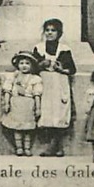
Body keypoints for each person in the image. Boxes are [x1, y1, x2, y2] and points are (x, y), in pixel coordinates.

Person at [32, 18, 76, 157]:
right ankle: (50, 145)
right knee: (47, 112)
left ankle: (58, 146)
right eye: (47, 30)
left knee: (60, 112)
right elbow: (33, 67)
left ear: (59, 33)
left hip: (59, 83)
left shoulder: (64, 49)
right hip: (45, 83)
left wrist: (61, 68)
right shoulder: (39, 48)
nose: (50, 33)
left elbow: (72, 69)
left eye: (53, 30)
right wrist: (40, 64)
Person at [0, 51, 43, 157]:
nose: (24, 66)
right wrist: (6, 103)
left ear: (32, 66)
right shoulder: (13, 77)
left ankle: (27, 148)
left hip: (28, 104)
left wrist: (38, 108)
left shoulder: (35, 79)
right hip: (16, 103)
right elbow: (7, 91)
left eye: (27, 63)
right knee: (17, 127)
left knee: (27, 127)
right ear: (17, 65)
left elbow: (36, 94)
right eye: (22, 63)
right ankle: (19, 147)